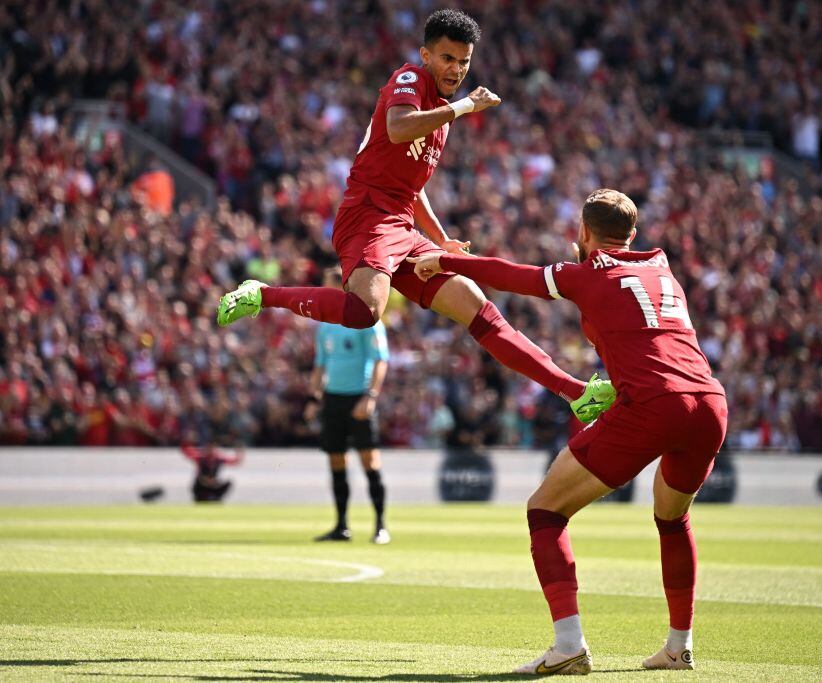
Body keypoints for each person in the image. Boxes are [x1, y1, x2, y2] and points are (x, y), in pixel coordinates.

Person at [215, 8, 614, 424]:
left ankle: (575, 392)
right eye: (447, 58)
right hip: (367, 214)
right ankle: (262, 294)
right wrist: (463, 108)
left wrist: (440, 240)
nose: (456, 69)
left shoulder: (440, 116)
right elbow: (399, 127)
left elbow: (413, 187)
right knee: (364, 311)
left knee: (477, 306)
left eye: (464, 62)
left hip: (402, 226)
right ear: (425, 55)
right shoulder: (409, 80)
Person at [410, 189, 729, 674]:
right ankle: (678, 646)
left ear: (583, 233)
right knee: (672, 518)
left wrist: (448, 262)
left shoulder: (585, 273)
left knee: (545, 510)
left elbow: (512, 277)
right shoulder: (663, 271)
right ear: (633, 235)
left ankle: (569, 645)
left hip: (653, 403)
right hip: (709, 402)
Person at [312, 266, 391, 544]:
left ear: (342, 287)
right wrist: (315, 397)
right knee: (336, 460)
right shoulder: (324, 325)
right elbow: (321, 364)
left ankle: (381, 525)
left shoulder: (365, 320)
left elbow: (381, 359)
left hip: (358, 396)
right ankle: (341, 526)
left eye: (327, 286)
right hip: (333, 398)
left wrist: (370, 396)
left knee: (370, 461)